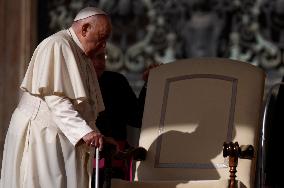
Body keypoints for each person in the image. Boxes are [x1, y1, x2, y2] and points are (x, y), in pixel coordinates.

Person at [0, 7, 112, 188]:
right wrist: (85, 132)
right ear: (84, 29)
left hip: (64, 137)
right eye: (101, 38)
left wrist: (95, 132)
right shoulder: (58, 45)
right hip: (43, 136)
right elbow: (56, 99)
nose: (103, 45)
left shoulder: (83, 56)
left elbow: (84, 107)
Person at [90, 49, 140, 188]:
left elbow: (137, 118)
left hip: (115, 165)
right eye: (95, 58)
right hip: (80, 165)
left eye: (102, 57)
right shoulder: (70, 84)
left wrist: (151, 84)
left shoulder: (116, 81)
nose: (100, 63)